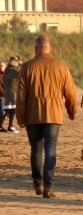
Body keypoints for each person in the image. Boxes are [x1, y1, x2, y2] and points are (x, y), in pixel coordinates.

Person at [15, 35, 78, 198]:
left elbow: (20, 96)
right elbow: (70, 92)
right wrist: (72, 111)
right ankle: (48, 187)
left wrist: (20, 118)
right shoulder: (60, 66)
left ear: (36, 49)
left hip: (33, 116)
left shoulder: (27, 67)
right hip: (54, 115)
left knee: (36, 149)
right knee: (50, 150)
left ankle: (37, 183)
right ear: (50, 48)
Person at [2, 56, 21, 133]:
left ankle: (10, 126)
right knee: (10, 110)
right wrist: (20, 65)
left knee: (9, 110)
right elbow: (21, 74)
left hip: (9, 93)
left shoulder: (8, 69)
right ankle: (9, 126)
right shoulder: (12, 70)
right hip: (12, 94)